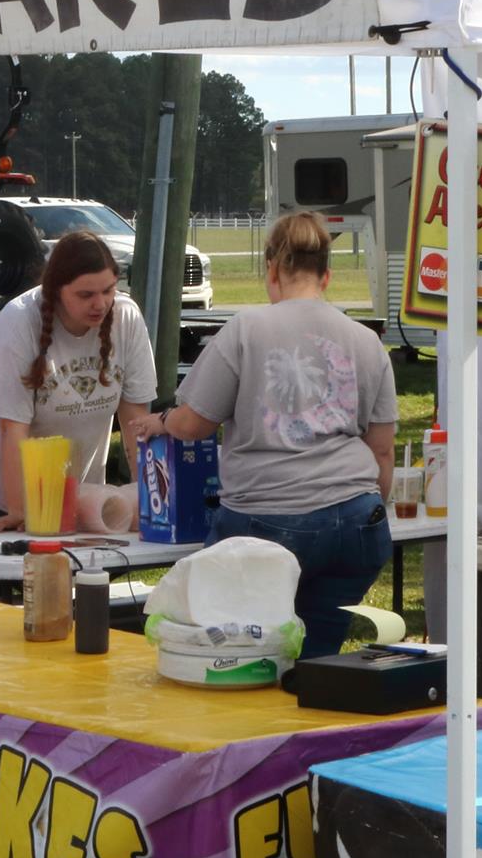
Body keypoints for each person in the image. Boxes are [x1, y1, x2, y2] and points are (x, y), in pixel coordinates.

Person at [128, 212, 397, 657]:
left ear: (271, 269)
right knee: (318, 657)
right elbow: (383, 451)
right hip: (356, 519)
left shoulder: (246, 329)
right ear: (327, 275)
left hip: (265, 519)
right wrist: (369, 509)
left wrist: (164, 419)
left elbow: (194, 424)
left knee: (238, 652)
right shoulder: (366, 341)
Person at [0, 232, 156, 532]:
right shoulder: (18, 321)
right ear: (55, 290)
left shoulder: (126, 318)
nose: (100, 304)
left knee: (81, 556)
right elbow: (13, 428)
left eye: (108, 290)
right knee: (8, 556)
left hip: (68, 476)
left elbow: (136, 421)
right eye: (85, 295)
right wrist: (20, 510)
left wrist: (146, 498)